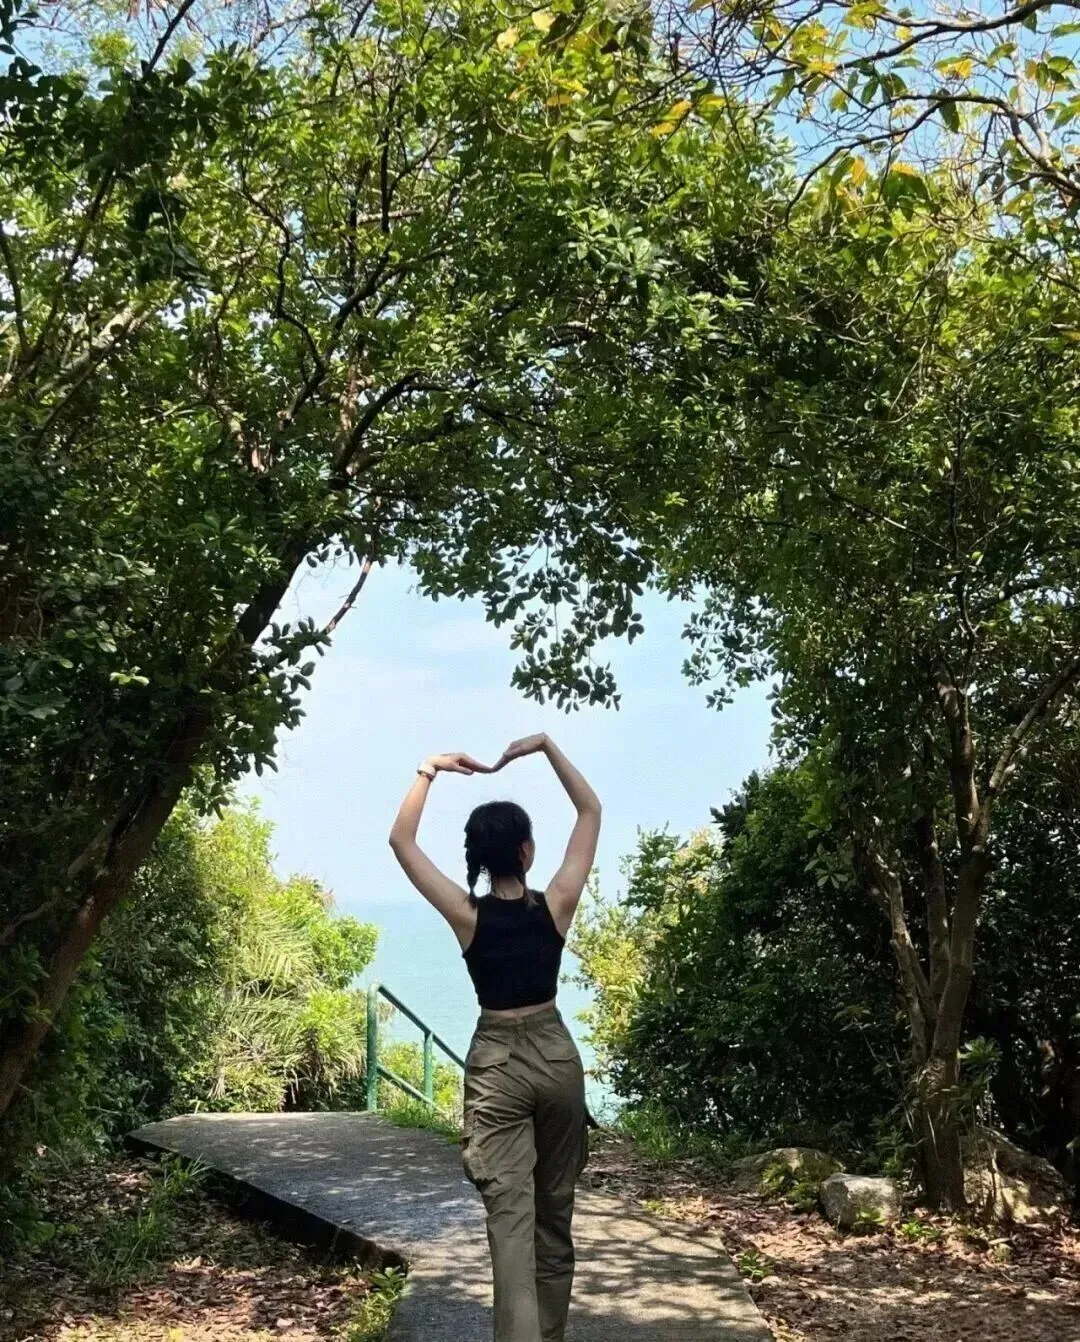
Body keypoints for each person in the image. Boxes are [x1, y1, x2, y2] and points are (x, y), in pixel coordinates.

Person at [388, 732, 601, 1342]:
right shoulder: (555, 905)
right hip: (556, 1059)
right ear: (527, 852)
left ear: (480, 858)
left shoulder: (467, 915)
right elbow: (590, 810)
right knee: (554, 1213)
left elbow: (401, 841)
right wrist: (546, 747)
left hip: (497, 1065)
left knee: (510, 1224)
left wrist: (428, 769)